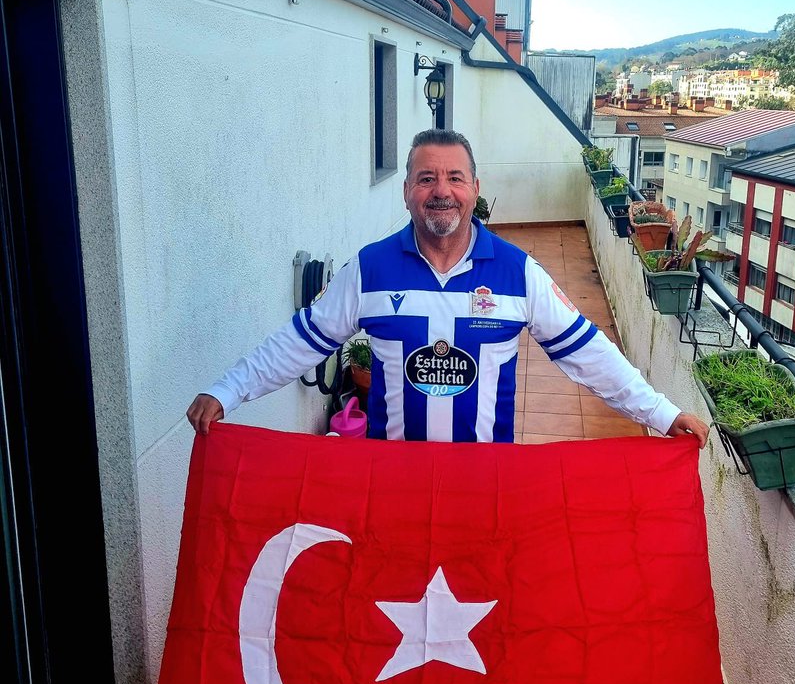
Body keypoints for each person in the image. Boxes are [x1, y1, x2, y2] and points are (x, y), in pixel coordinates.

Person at [187, 129, 709, 447]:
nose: (442, 191)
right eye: (427, 178)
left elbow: (589, 353)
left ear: (475, 191)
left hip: (482, 487)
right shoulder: (369, 270)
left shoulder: (517, 272)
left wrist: (659, 413)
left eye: (455, 178)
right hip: (390, 486)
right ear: (408, 193)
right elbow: (301, 340)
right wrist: (228, 390)